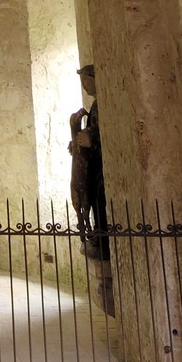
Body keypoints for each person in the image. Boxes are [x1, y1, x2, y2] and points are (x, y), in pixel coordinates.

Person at [68, 63, 109, 259]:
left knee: (100, 201)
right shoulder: (95, 106)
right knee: (92, 200)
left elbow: (105, 135)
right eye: (83, 82)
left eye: (87, 81)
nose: (85, 86)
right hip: (93, 166)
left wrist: (90, 140)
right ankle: (98, 236)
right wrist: (76, 142)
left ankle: (102, 238)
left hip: (100, 168)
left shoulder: (103, 105)